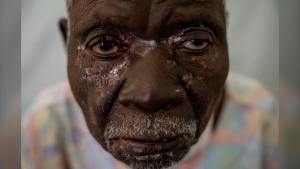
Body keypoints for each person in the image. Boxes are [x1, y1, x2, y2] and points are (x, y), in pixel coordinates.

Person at [22, 0, 278, 168]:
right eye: (105, 45)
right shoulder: (46, 128)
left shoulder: (263, 122)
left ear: (224, 36)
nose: (150, 94)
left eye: (195, 42)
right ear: (68, 43)